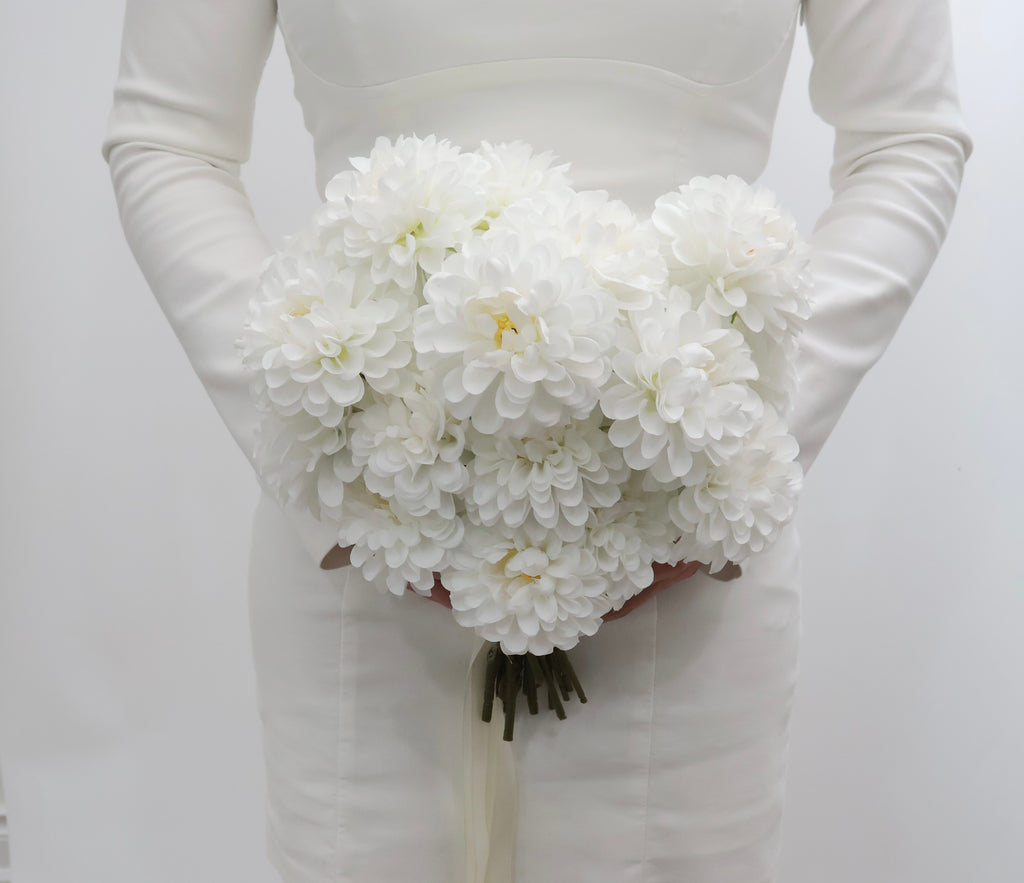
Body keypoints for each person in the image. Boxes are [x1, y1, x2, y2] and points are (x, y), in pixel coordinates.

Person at [102, 1, 971, 880]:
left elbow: (905, 138)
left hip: (690, 571)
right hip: (369, 554)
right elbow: (171, 140)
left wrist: (731, 451)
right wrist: (325, 452)